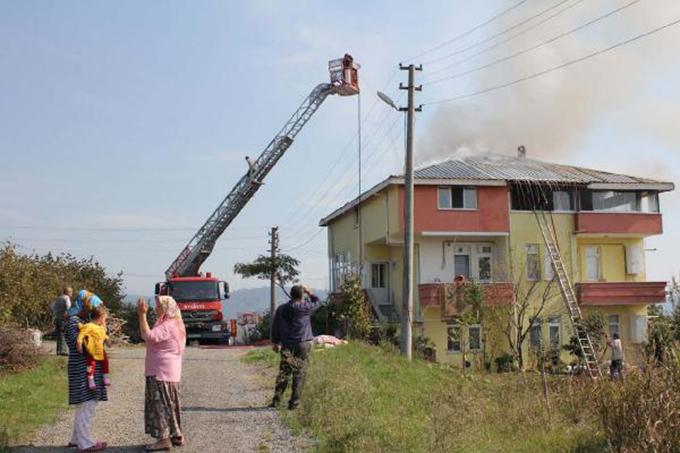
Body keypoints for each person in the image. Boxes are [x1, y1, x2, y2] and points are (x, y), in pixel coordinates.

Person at [138, 296, 186, 452]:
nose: (156, 308)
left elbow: (148, 336)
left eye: (159, 306)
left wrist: (141, 315)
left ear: (167, 308)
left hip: (160, 372)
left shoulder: (168, 325)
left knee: (159, 405)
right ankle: (176, 435)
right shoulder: (173, 323)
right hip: (168, 372)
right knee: (170, 405)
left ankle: (163, 440)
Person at [65, 290, 108, 452]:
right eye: (92, 307)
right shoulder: (73, 322)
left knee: (84, 405)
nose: (93, 311)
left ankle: (77, 439)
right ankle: (85, 443)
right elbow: (82, 347)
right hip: (82, 368)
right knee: (87, 404)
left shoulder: (80, 320)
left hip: (84, 368)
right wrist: (99, 332)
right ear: (84, 305)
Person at [270, 285, 322, 410]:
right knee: (299, 373)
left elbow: (275, 326)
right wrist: (310, 292)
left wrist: (275, 342)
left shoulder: (281, 309)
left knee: (284, 372)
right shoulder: (305, 308)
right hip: (303, 345)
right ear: (302, 295)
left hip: (287, 344)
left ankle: (276, 401)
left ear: (291, 295)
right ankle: (294, 403)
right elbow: (318, 302)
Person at [77, 306, 111, 389]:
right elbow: (81, 335)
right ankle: (90, 380)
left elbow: (104, 335)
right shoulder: (89, 326)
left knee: (106, 362)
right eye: (104, 319)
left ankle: (105, 377)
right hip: (92, 349)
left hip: (100, 350)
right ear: (100, 317)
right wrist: (79, 344)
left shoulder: (101, 327)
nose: (105, 321)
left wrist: (108, 341)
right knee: (91, 365)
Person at [51, 286, 73, 356]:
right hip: (63, 319)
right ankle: (63, 351)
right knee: (64, 334)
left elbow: (51, 306)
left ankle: (58, 350)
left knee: (59, 335)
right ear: (68, 292)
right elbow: (68, 307)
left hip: (56, 318)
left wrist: (56, 313)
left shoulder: (58, 298)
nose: (72, 293)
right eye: (71, 292)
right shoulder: (66, 298)